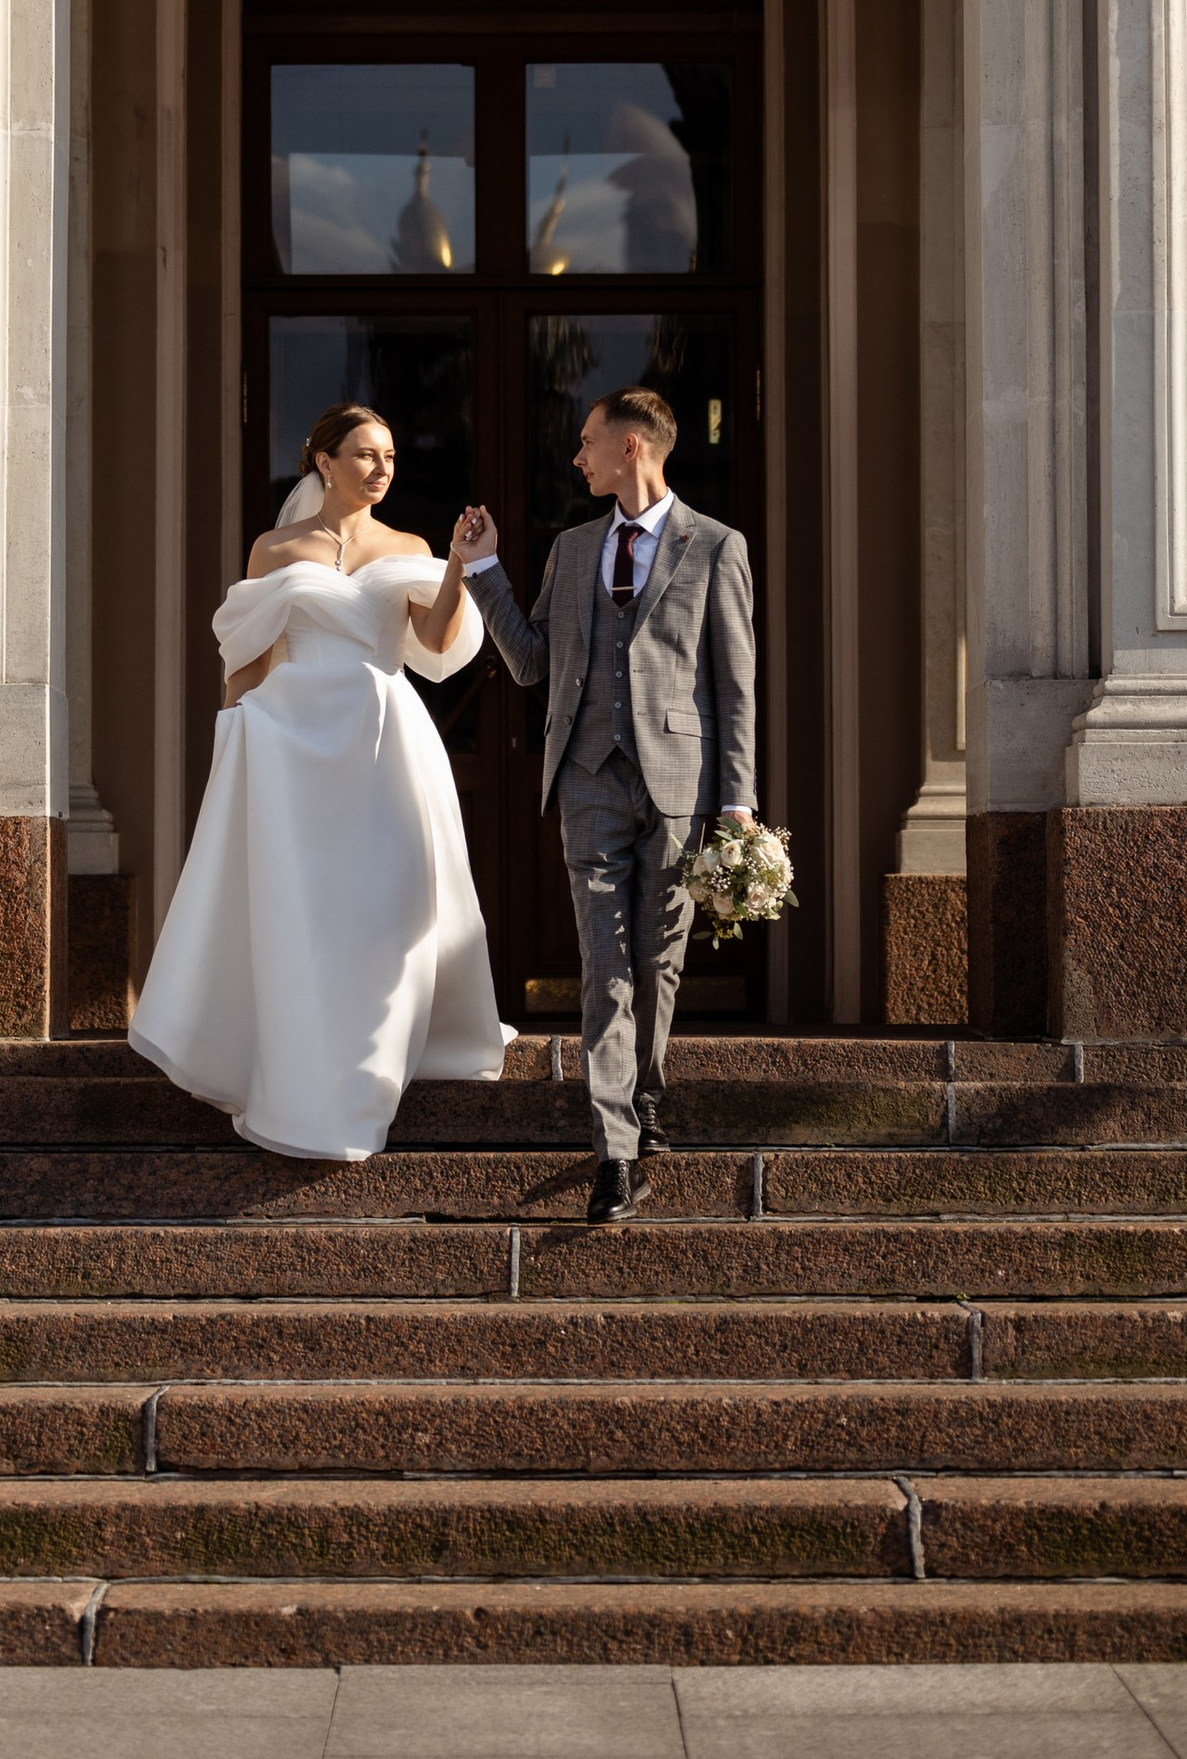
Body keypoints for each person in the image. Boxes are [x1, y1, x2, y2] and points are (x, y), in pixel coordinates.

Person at [129, 401, 513, 1161]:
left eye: (392, 456)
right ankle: (299, 1074)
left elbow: (434, 644)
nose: (382, 468)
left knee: (386, 903)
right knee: (303, 910)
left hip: (384, 740)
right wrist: (233, 737)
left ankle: (370, 1071)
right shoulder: (274, 548)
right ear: (324, 461)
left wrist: (460, 567)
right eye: (367, 454)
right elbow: (247, 654)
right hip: (292, 748)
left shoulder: (406, 544)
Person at [450, 386, 756, 1220]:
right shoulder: (573, 548)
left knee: (659, 959)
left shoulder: (717, 547)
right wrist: (485, 570)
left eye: (587, 442)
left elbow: (735, 688)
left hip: (679, 782)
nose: (577, 456)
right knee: (604, 966)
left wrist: (737, 801)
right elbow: (528, 662)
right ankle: (615, 1151)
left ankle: (645, 1092)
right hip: (587, 775)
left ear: (632, 448)